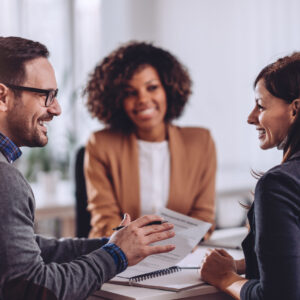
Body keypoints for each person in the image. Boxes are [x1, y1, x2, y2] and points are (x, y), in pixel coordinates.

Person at [0, 36, 176, 300]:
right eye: (46, 95)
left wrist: (112, 244)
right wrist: (116, 254)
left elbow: (21, 250)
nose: (56, 109)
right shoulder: (5, 179)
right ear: (2, 96)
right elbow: (34, 289)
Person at [84, 41, 217, 238]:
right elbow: (105, 220)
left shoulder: (200, 142)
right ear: (118, 100)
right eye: (130, 93)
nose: (143, 100)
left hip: (179, 255)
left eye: (152, 87)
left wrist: (170, 247)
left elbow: (202, 216)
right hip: (119, 256)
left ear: (168, 90)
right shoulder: (101, 144)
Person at [200, 52, 300, 299]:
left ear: (295, 109)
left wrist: (226, 278)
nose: (250, 117)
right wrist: (243, 265)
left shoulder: (279, 184)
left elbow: (278, 296)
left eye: (261, 106)